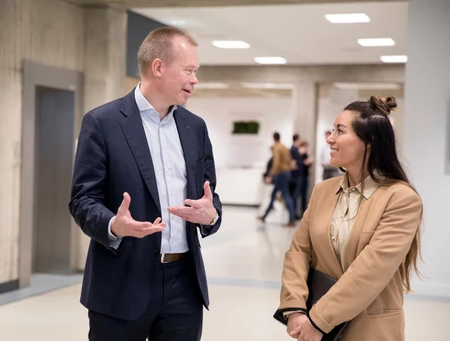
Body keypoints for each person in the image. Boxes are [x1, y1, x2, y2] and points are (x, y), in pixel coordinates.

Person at [69, 27, 222, 341]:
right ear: (158, 67)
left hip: (184, 284)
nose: (195, 80)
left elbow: (211, 197)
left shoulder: (195, 128)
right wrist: (114, 224)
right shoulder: (103, 123)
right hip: (121, 281)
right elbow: (83, 199)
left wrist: (211, 216)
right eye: (189, 71)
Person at [274, 96, 423, 341]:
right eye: (332, 130)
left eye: (339, 131)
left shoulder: (400, 199)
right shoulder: (323, 190)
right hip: (316, 328)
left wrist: (318, 320)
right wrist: (295, 308)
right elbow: (299, 251)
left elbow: (370, 272)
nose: (330, 138)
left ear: (369, 142)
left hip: (369, 330)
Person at [258, 132, 297, 227]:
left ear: (273, 138)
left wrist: (271, 175)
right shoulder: (284, 147)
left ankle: (292, 219)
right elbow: (288, 161)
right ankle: (264, 216)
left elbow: (276, 163)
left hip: (281, 174)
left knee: (286, 196)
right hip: (285, 173)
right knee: (274, 195)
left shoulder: (277, 148)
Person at [298, 140, 313, 216]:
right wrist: (305, 162)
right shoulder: (300, 154)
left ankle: (303, 212)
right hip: (301, 176)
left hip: (305, 176)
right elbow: (299, 165)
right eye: (306, 147)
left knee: (304, 195)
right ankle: (299, 212)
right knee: (300, 195)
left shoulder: (305, 154)